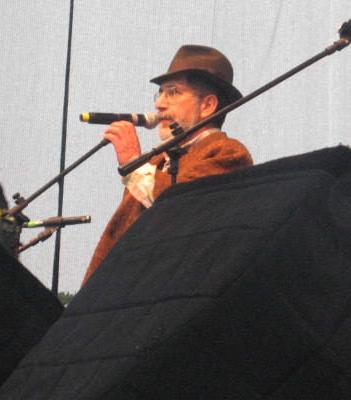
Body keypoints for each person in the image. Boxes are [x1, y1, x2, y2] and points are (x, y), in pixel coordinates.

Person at [82, 45, 253, 285]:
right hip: (121, 291)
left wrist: (133, 163)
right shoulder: (156, 160)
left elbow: (185, 212)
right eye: (160, 94)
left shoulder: (228, 152)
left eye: (172, 92)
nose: (159, 104)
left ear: (207, 105)